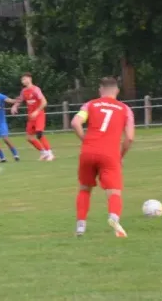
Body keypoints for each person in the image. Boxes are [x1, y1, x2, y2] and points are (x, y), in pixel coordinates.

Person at [70, 77, 135, 238]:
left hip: (88, 151)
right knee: (114, 191)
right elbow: (129, 138)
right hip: (109, 154)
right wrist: (120, 156)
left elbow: (75, 123)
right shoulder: (125, 109)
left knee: (85, 189)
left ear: (101, 90)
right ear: (117, 91)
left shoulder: (90, 104)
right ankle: (113, 218)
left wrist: (85, 140)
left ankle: (80, 226)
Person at [10, 72, 55, 161]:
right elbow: (20, 100)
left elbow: (44, 102)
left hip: (39, 115)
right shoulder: (24, 91)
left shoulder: (36, 89)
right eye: (22, 80)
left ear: (30, 79)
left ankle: (50, 153)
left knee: (39, 133)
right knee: (29, 138)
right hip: (31, 116)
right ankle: (43, 153)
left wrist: (37, 111)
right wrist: (15, 106)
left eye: (25, 79)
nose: (23, 81)